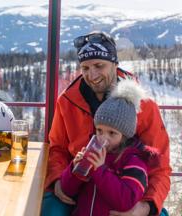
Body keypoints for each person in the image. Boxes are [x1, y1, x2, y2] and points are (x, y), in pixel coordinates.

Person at [42, 31, 171, 216]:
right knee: (50, 211)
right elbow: (57, 149)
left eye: (99, 66)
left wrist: (145, 207)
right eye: (85, 68)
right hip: (78, 188)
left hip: (125, 192)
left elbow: (160, 165)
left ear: (115, 64)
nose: (92, 75)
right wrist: (57, 182)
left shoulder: (143, 105)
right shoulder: (68, 101)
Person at [60, 80, 159, 215]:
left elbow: (126, 201)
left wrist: (100, 170)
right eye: (99, 130)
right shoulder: (93, 154)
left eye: (112, 133)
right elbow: (68, 190)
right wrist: (75, 169)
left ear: (125, 136)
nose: (103, 138)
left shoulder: (134, 162)